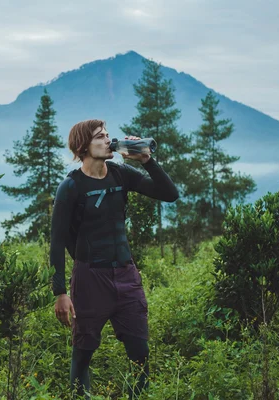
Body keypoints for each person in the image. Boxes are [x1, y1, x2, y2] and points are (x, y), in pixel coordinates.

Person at [50, 119, 179, 399]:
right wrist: (60, 292)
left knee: (140, 353)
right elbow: (57, 242)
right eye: (100, 137)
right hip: (89, 278)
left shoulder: (121, 174)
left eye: (108, 135)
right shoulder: (70, 187)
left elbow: (170, 194)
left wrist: (147, 160)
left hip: (126, 275)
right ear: (83, 146)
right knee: (83, 353)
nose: (108, 140)